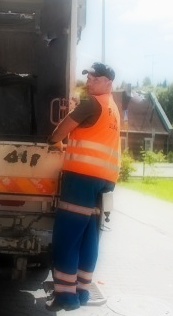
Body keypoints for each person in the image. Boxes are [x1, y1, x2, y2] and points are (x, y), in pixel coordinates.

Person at [45, 62, 121, 312]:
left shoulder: (91, 104)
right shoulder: (113, 108)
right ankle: (81, 292)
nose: (89, 81)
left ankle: (66, 297)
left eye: (95, 78)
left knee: (67, 237)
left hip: (82, 179)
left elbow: (61, 130)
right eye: (88, 77)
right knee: (89, 237)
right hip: (105, 181)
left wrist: (53, 142)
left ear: (108, 83)